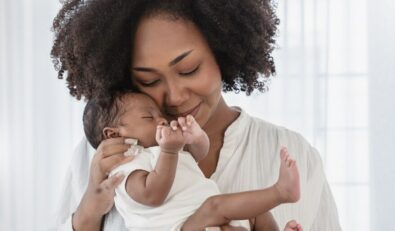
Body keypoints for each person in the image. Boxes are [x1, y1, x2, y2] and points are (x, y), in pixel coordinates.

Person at [51, 0, 341, 230]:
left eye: (189, 69)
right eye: (149, 81)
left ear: (222, 49)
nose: (175, 97)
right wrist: (88, 213)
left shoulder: (292, 154)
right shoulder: (102, 160)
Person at [82, 91, 302, 230]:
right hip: (181, 226)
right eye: (148, 117)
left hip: (206, 218)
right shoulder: (125, 167)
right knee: (214, 204)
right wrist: (170, 151)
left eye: (160, 114)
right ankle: (281, 192)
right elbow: (152, 194)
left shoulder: (162, 148)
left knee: (257, 212)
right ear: (113, 134)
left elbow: (198, 154)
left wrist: (196, 137)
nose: (161, 120)